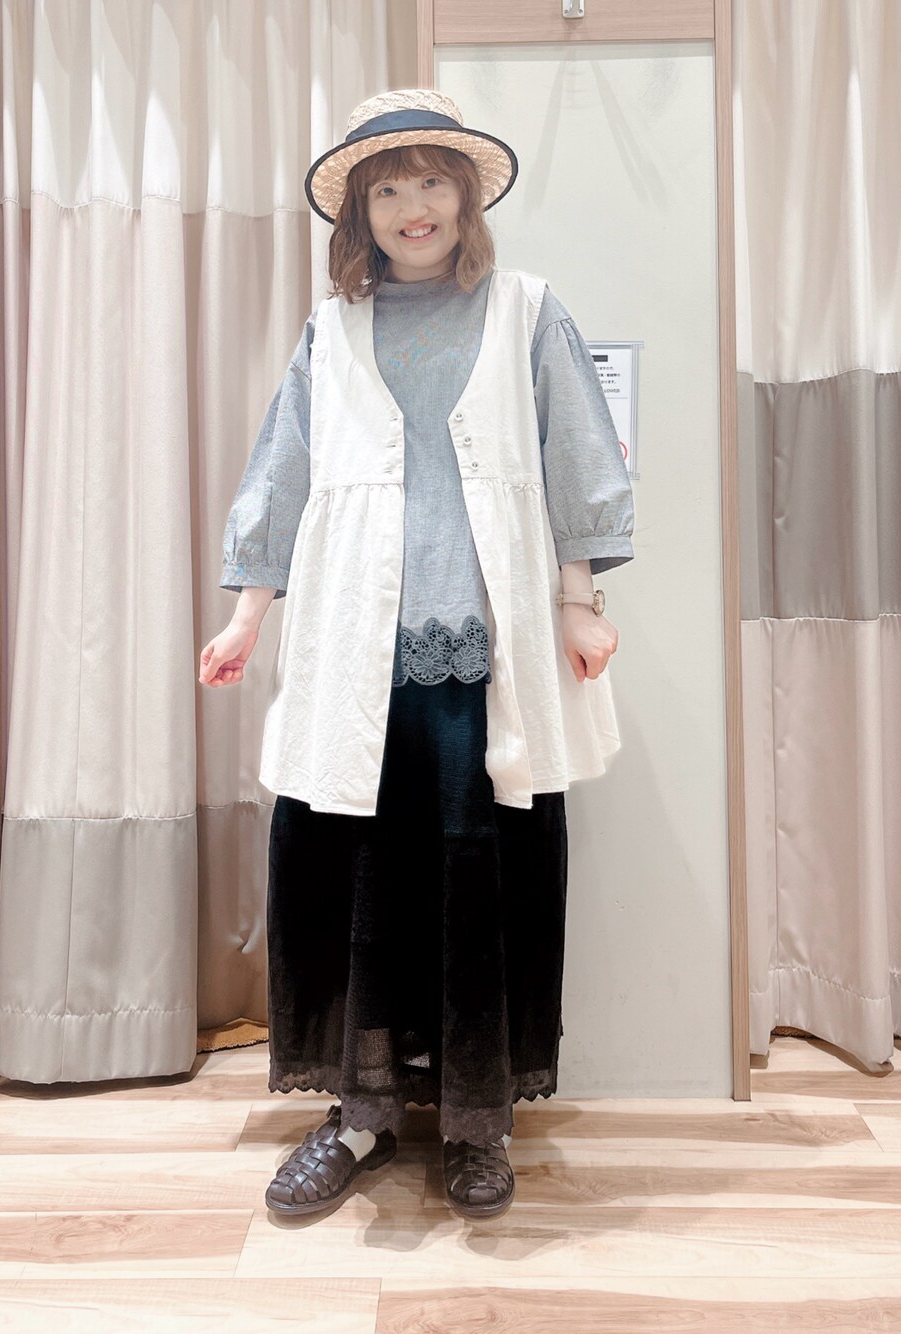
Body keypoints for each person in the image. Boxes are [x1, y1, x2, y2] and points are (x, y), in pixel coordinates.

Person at [198, 88, 635, 1221]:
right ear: (360, 213)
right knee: (357, 884)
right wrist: (247, 615)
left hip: (486, 660)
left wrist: (578, 602)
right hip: (355, 652)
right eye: (386, 189)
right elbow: (282, 474)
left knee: (483, 883)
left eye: (431, 181)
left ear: (465, 195)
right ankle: (359, 1113)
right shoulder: (329, 330)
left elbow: (579, 459)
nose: (412, 206)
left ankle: (480, 1123)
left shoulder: (527, 310)